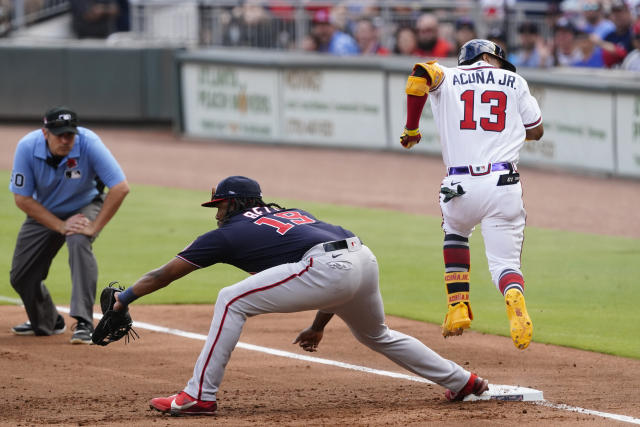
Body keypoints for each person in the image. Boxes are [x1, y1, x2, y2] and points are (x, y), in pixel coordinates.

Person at [110, 176, 489, 415]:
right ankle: (463, 382)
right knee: (377, 334)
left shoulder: (228, 233)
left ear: (237, 204)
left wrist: (124, 298)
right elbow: (337, 274)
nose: (217, 214)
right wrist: (318, 325)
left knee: (230, 299)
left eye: (220, 205)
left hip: (328, 267)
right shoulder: (294, 214)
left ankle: (198, 395)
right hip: (363, 257)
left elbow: (165, 274)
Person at [399, 40, 543, 350]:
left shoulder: (448, 75)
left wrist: (412, 129)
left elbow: (418, 75)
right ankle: (512, 295)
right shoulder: (515, 81)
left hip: (459, 185)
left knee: (455, 232)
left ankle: (457, 306)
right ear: (490, 57)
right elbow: (537, 130)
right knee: (504, 264)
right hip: (503, 182)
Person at [9, 107, 129, 344]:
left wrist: (93, 227)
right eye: (59, 134)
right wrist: (59, 225)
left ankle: (84, 322)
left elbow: (120, 187)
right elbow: (22, 198)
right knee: (21, 276)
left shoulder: (89, 142)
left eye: (69, 134)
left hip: (84, 206)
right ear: (45, 133)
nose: (65, 140)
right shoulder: (27, 147)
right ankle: (49, 321)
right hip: (45, 211)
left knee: (78, 238)